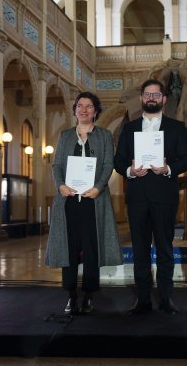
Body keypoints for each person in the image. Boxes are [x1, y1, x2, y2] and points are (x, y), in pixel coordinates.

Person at [114, 79, 187, 315]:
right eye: (147, 94)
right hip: (137, 197)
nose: (151, 98)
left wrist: (168, 169)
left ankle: (166, 298)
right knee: (140, 250)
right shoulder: (129, 129)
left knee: (165, 249)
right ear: (141, 98)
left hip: (164, 196)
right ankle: (142, 300)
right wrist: (130, 171)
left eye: (156, 94)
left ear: (164, 99)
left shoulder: (176, 127)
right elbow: (119, 161)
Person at [46, 92, 123, 315]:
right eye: (80, 106)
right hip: (69, 201)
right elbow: (57, 165)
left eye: (89, 107)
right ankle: (71, 295)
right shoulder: (65, 136)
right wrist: (60, 185)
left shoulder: (104, 136)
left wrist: (98, 187)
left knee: (91, 249)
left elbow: (108, 164)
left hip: (93, 201)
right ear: (75, 110)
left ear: (95, 111)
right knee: (68, 249)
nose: (84, 110)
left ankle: (89, 295)